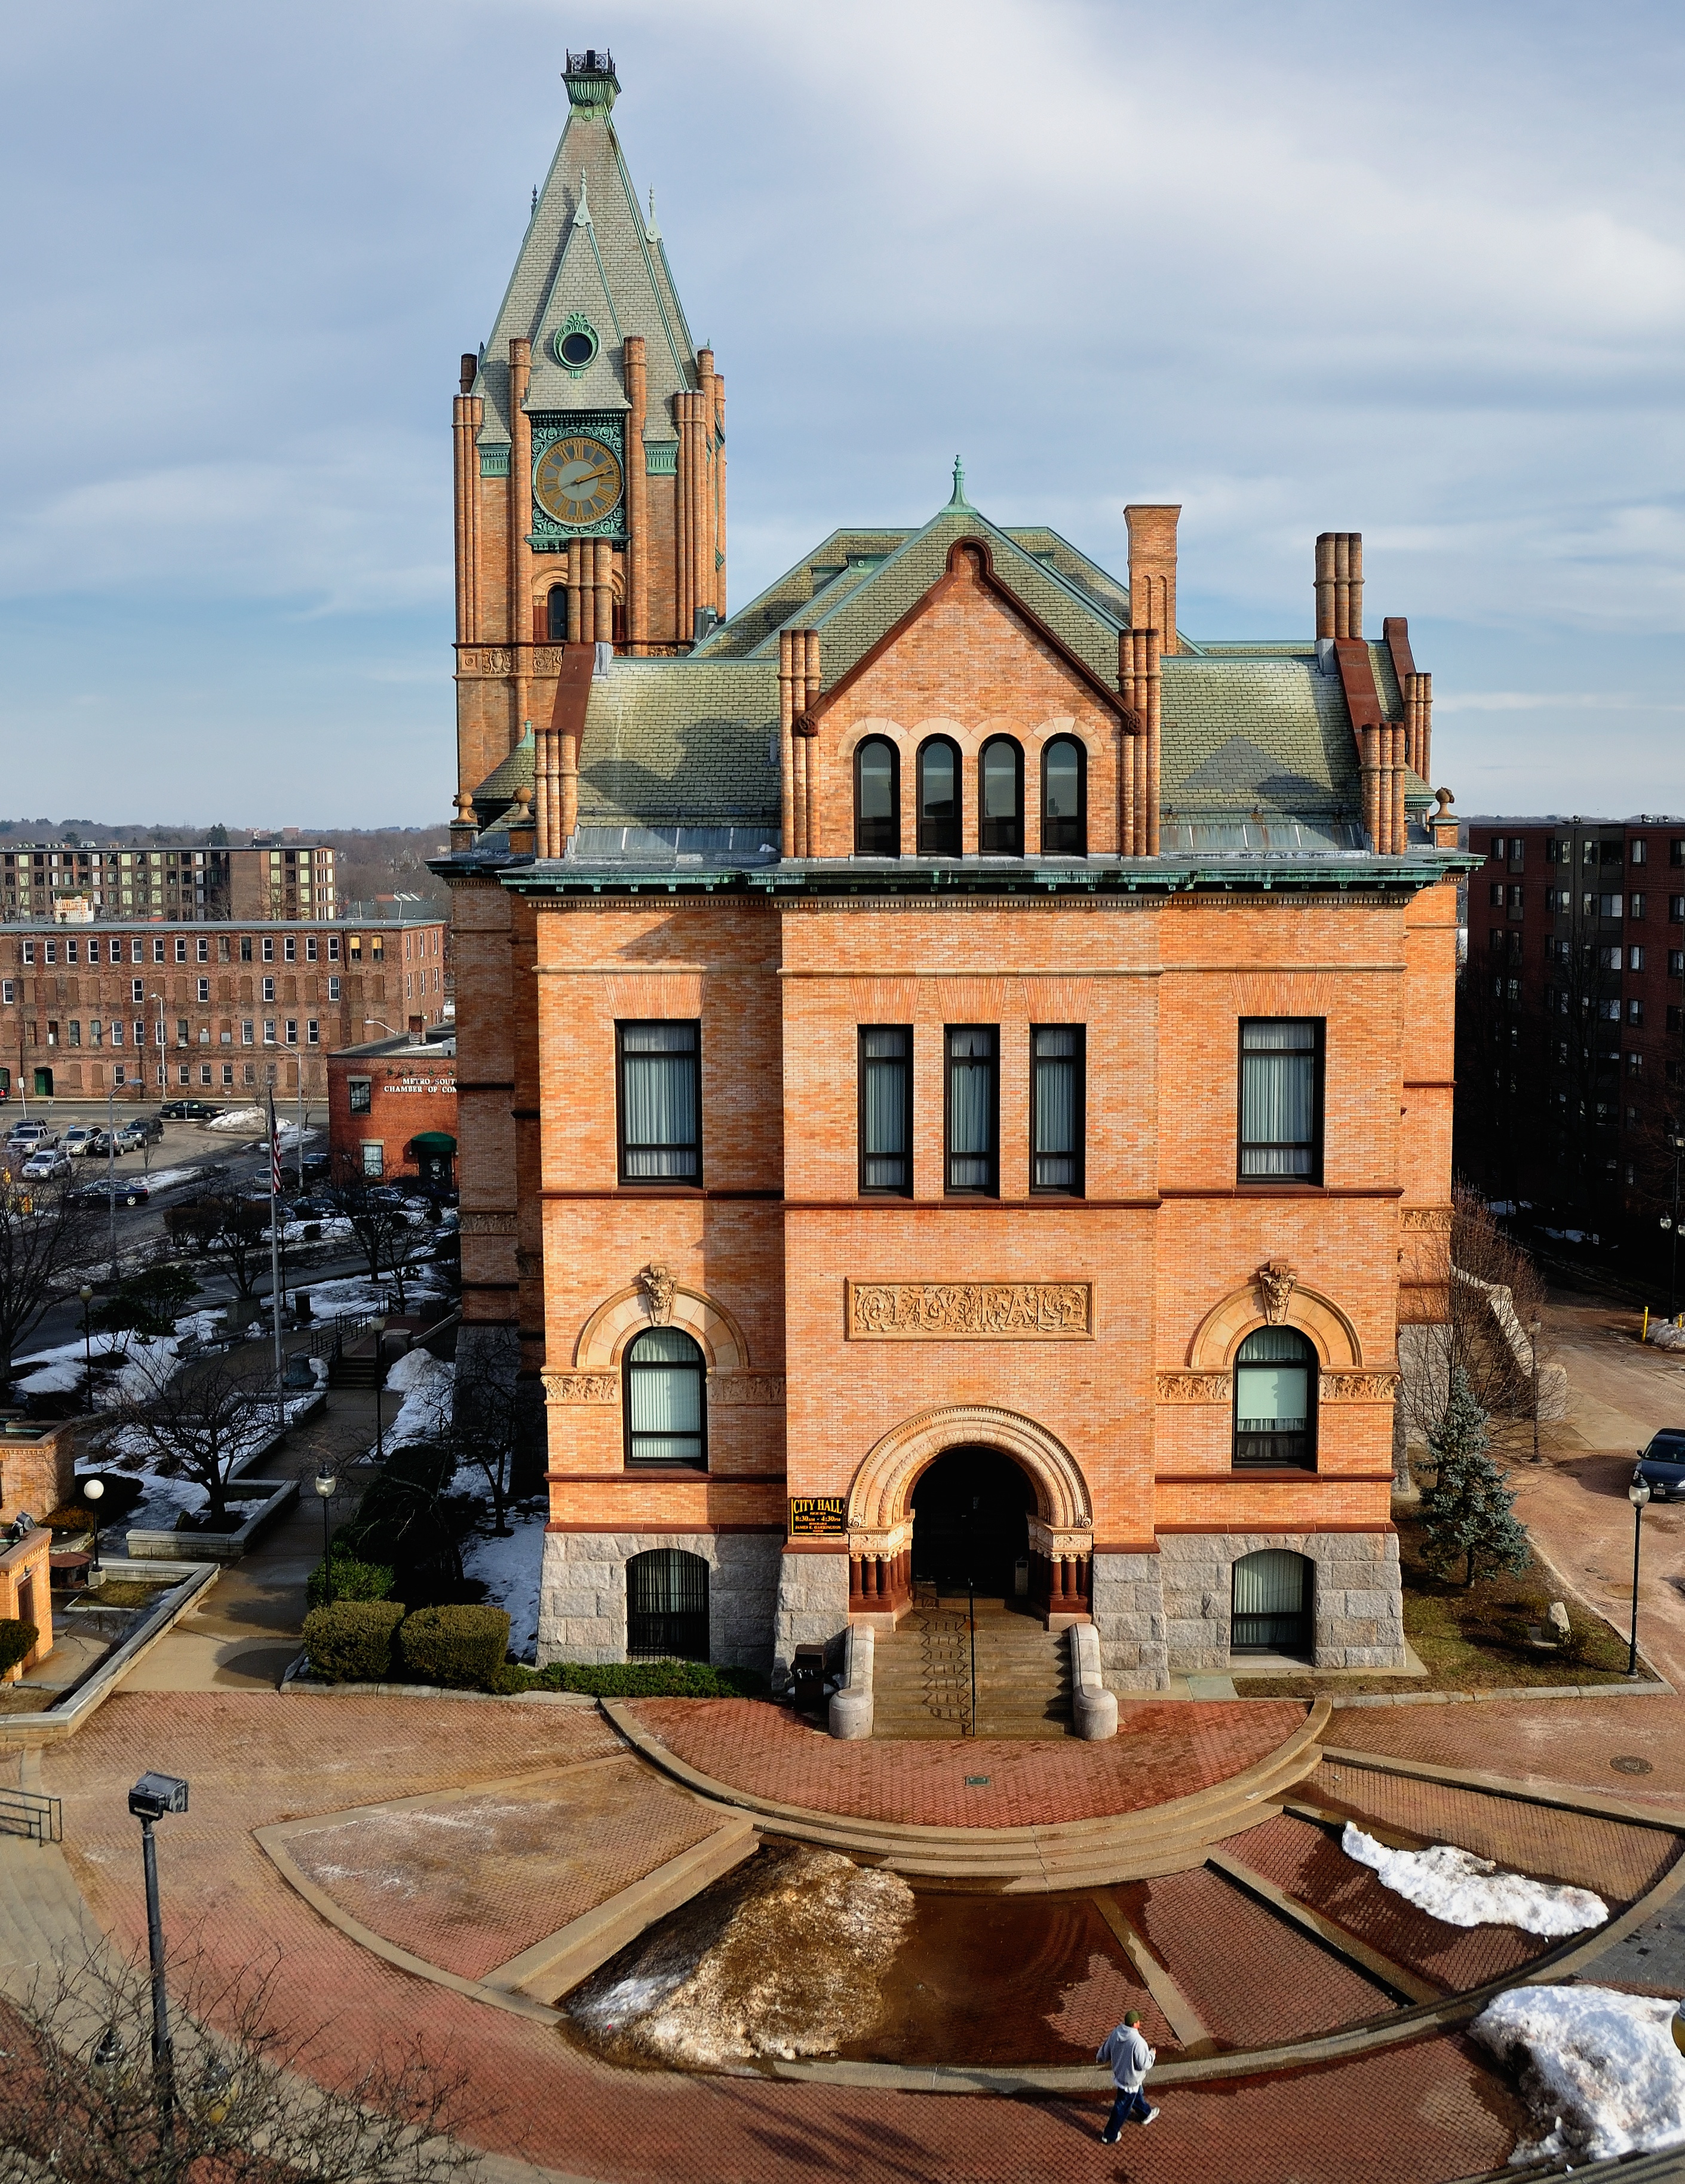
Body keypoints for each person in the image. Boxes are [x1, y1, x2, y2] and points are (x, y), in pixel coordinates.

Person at [1096, 2009, 1159, 2139]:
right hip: (1131, 2080)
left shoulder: (1116, 2032)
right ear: (1135, 2024)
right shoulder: (1138, 2041)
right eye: (1138, 2021)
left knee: (1136, 2095)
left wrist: (1100, 2057)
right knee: (1121, 2108)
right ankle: (1110, 2135)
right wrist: (1152, 2054)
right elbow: (1144, 2064)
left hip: (1120, 2074)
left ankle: (1146, 2114)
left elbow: (1105, 2049)